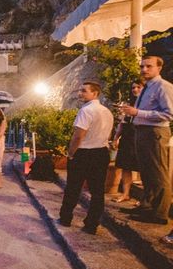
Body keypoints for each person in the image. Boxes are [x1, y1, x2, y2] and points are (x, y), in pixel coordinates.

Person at [119, 56, 173, 225]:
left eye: (149, 66)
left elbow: (169, 113)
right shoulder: (147, 87)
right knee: (147, 173)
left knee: (158, 174)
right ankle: (147, 208)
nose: (144, 70)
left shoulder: (163, 87)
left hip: (155, 133)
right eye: (142, 66)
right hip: (142, 132)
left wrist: (138, 113)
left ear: (159, 68)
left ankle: (159, 214)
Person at [58, 82, 114, 235]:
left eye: (84, 91)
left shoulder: (86, 110)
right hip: (101, 153)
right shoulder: (107, 111)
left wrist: (70, 154)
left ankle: (65, 218)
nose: (80, 93)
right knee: (97, 191)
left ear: (95, 93)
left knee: (73, 187)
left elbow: (78, 136)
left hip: (84, 153)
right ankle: (91, 225)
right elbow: (108, 134)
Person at [111, 80, 144, 203]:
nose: (135, 89)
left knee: (143, 168)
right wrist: (116, 138)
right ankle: (126, 194)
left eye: (138, 87)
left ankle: (144, 199)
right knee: (125, 166)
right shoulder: (130, 103)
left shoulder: (147, 104)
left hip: (140, 136)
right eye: (133, 88)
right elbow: (122, 123)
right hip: (127, 137)